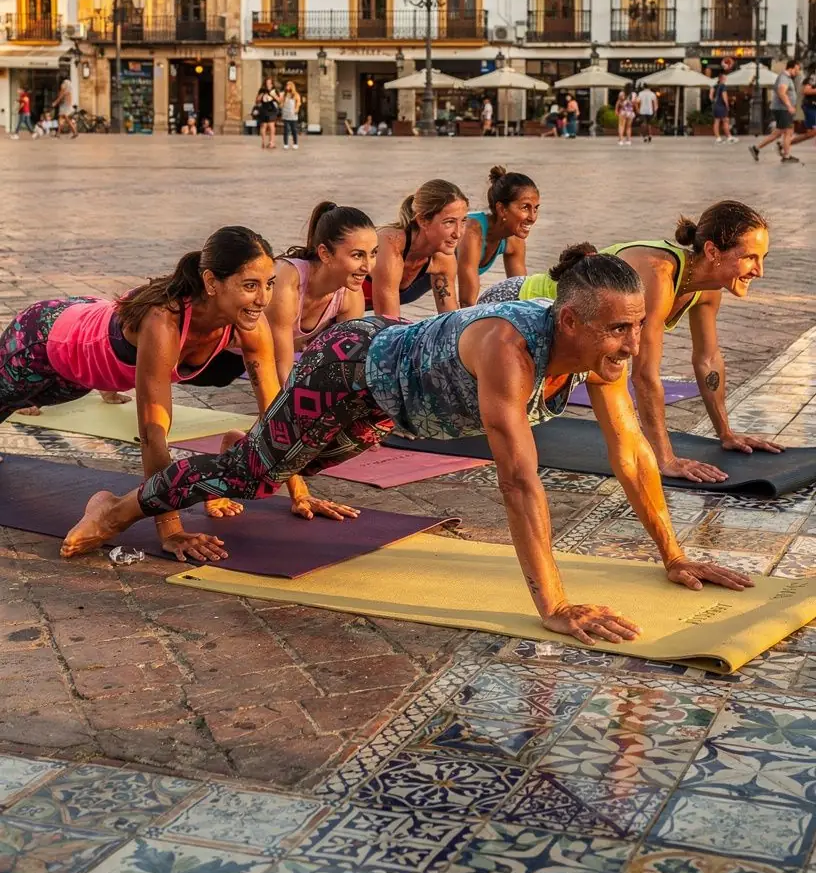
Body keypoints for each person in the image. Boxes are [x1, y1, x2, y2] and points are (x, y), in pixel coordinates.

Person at [62, 250, 751, 645]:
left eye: (637, 329)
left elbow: (630, 453)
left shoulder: (599, 353)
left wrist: (673, 554)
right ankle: (117, 508)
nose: (632, 346)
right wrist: (554, 604)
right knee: (252, 473)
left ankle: (256, 448)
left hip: (384, 401)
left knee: (278, 462)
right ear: (571, 319)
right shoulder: (511, 348)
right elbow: (517, 480)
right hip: (345, 370)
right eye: (619, 330)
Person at [0, 226, 352, 555]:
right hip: (42, 341)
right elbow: (153, 432)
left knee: (46, 397)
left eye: (270, 284)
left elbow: (276, 416)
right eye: (250, 286)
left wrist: (299, 493)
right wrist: (170, 528)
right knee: (10, 400)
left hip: (81, 370)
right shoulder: (163, 321)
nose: (263, 299)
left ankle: (231, 452)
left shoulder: (249, 324)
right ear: (212, 282)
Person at [479, 201, 779, 485]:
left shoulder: (708, 289)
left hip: (553, 332)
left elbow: (708, 359)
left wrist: (726, 433)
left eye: (762, 258)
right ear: (713, 251)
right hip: (511, 307)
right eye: (750, 257)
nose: (759, 271)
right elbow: (644, 374)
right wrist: (665, 459)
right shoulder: (660, 274)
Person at [268, 203, 378, 386]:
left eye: (373, 253)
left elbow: (345, 364)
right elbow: (281, 366)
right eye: (358, 255)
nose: (368, 267)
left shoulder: (351, 296)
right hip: (220, 356)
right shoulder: (288, 278)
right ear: (325, 254)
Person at [364, 179, 468, 316]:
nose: (458, 233)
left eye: (463, 221)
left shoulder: (443, 260)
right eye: (449, 222)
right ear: (423, 221)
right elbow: (388, 323)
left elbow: (450, 320)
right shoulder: (390, 245)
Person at [458, 168, 540, 306]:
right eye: (525, 207)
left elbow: (521, 295)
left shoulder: (515, 240)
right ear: (502, 209)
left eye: (536, 208)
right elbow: (467, 303)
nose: (532, 217)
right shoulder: (472, 231)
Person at [750, 58, 801, 164]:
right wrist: (789, 106)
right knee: (785, 132)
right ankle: (785, 156)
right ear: (791, 68)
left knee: (784, 132)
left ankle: (758, 148)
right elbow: (782, 92)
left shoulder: (786, 77)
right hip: (782, 109)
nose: (797, 72)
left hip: (783, 109)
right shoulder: (784, 78)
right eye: (796, 69)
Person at [786, 65, 816, 155]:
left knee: (811, 134)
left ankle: (785, 144)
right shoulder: (812, 78)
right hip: (811, 107)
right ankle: (785, 144)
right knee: (813, 133)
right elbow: (806, 91)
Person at [254, 77, 281, 151]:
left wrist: (273, 95)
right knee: (264, 126)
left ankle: (271, 143)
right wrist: (261, 95)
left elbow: (279, 100)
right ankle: (263, 142)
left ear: (272, 84)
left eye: (269, 83)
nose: (268, 84)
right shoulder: (262, 90)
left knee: (272, 126)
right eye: (267, 83)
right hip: (264, 109)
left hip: (272, 110)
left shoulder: (275, 90)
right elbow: (257, 100)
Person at [710, 74, 736, 144]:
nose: (726, 79)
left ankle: (718, 138)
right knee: (725, 121)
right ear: (721, 79)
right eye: (725, 78)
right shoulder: (723, 86)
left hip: (715, 106)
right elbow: (724, 96)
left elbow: (710, 96)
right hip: (721, 106)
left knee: (716, 121)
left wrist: (714, 102)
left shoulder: (714, 86)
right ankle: (729, 137)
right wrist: (727, 105)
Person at [281, 80, 301, 149]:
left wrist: (296, 110)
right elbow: (281, 103)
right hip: (286, 114)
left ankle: (295, 143)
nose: (287, 87)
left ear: (292, 87)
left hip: (293, 115)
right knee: (286, 130)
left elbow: (298, 103)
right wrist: (281, 105)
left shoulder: (296, 95)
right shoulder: (284, 94)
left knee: (294, 130)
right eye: (286, 85)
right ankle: (285, 144)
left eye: (288, 85)